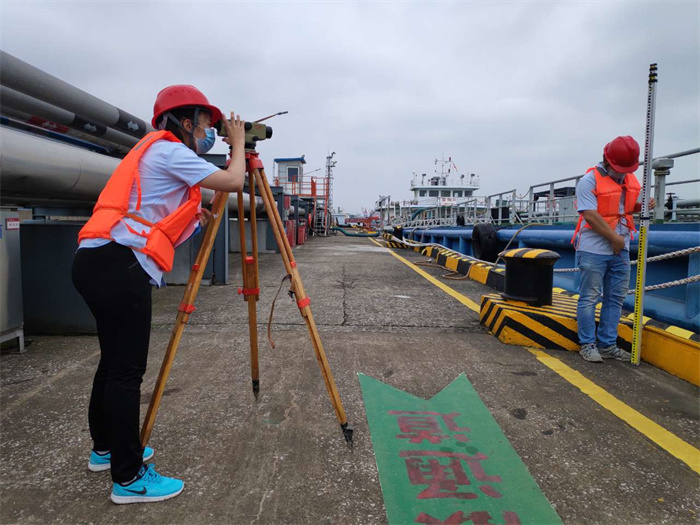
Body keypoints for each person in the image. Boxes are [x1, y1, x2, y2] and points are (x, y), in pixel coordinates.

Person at [72, 85, 246, 504]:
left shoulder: (153, 153)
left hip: (95, 261)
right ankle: (128, 478)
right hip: (119, 267)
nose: (210, 133)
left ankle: (106, 450)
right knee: (126, 373)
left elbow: (155, 219)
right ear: (185, 123)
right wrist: (238, 143)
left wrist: (194, 217)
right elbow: (235, 180)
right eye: (206, 126)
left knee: (113, 365)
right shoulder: (170, 150)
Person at [572, 135, 654, 363]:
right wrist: (614, 239)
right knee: (589, 297)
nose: (622, 173)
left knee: (615, 298)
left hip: (620, 249)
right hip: (593, 250)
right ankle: (587, 344)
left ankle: (607, 344)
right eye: (620, 168)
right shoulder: (589, 181)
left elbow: (621, 208)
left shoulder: (628, 180)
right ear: (607, 160)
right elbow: (590, 214)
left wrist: (640, 206)